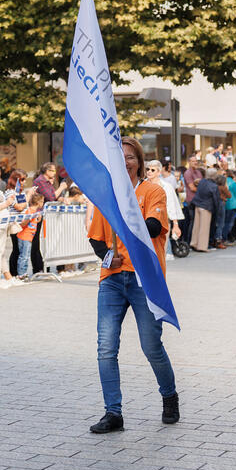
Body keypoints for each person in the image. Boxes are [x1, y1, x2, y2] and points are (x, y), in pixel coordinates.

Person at [87, 136, 178, 434]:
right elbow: (95, 238)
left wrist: (125, 214)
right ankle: (113, 413)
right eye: (120, 156)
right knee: (105, 347)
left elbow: (153, 227)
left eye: (131, 157)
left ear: (139, 161)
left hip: (144, 279)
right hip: (112, 280)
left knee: (151, 346)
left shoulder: (154, 191)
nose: (125, 161)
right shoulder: (107, 193)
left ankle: (169, 396)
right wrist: (106, 256)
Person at [147, 160, 183, 256]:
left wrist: (175, 225)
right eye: (147, 169)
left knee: (160, 251)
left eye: (152, 170)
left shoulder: (167, 187)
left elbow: (171, 205)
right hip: (145, 222)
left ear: (159, 172)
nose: (149, 171)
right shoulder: (142, 185)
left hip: (162, 222)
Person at [15, 193, 45, 277]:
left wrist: (38, 218)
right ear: (38, 202)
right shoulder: (30, 212)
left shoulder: (35, 212)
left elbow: (34, 223)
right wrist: (28, 219)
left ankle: (23, 272)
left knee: (26, 255)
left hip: (29, 237)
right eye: (42, 202)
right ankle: (21, 274)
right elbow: (24, 223)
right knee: (24, 256)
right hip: (24, 236)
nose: (42, 203)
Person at [189, 169, 218, 252]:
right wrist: (216, 209)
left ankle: (194, 243)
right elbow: (216, 199)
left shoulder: (201, 182)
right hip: (206, 206)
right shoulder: (214, 186)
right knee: (204, 227)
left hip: (197, 204)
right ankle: (202, 246)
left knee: (196, 226)